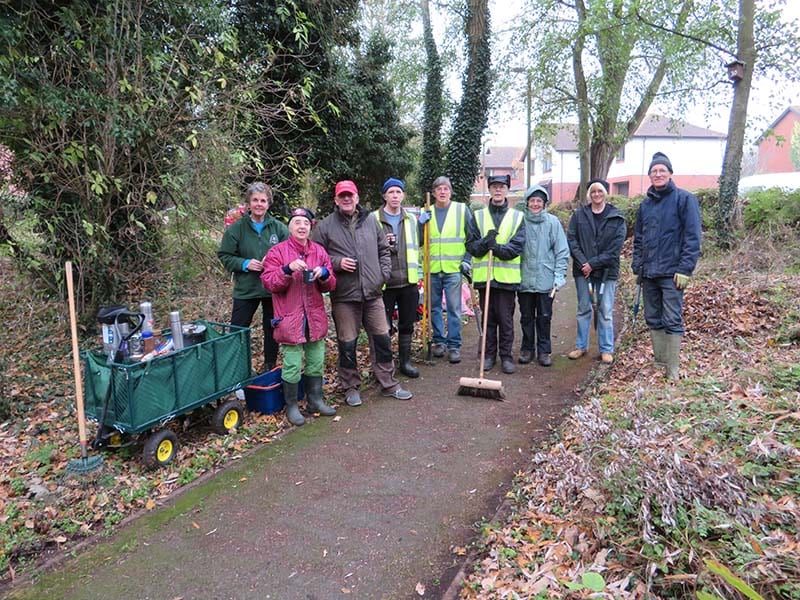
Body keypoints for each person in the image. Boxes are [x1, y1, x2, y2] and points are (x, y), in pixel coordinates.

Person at [312, 180, 412, 406]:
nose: (347, 200)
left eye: (351, 196)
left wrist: (382, 275)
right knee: (347, 342)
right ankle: (350, 386)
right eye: (342, 196)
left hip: (373, 293)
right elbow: (316, 257)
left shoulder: (370, 221)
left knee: (383, 338)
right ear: (336, 200)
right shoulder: (326, 227)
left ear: (357, 198)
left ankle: (388, 382)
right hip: (345, 296)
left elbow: (384, 251)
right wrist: (336, 263)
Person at [261, 208, 336, 426]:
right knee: (292, 364)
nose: (301, 226)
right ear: (290, 227)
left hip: (314, 317)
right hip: (289, 317)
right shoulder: (277, 252)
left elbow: (331, 285)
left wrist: (323, 274)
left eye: (305, 222)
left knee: (316, 362)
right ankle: (292, 406)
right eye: (297, 223)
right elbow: (269, 282)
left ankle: (315, 400)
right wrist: (287, 269)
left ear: (311, 226)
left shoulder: (319, 251)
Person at [632, 152, 702, 380]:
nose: (658, 174)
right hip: (649, 273)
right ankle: (660, 362)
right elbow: (639, 239)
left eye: (662, 170)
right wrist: (637, 266)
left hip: (673, 274)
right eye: (654, 171)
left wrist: (685, 269)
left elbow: (693, 237)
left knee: (672, 319)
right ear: (650, 176)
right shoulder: (645, 205)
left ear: (670, 173)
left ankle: (673, 369)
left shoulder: (685, 200)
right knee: (653, 318)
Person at [217, 181, 288, 370]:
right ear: (248, 202)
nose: (259, 204)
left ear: (268, 204)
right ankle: (237, 369)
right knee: (238, 330)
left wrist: (273, 262)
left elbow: (289, 253)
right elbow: (225, 255)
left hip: (272, 288)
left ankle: (270, 365)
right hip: (246, 288)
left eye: (263, 200)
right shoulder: (237, 229)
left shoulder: (279, 228)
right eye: (255, 200)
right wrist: (245, 263)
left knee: (272, 327)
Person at [467, 174, 525, 374]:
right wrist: (485, 243)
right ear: (489, 190)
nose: (498, 190)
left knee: (506, 320)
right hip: (485, 279)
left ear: (507, 190)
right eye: (494, 187)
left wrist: (496, 247)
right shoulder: (478, 216)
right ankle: (488, 355)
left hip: (507, 280)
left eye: (502, 187)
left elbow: (517, 247)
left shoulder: (517, 217)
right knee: (488, 319)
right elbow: (472, 246)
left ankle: (506, 356)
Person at [566, 179, 626, 364]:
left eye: (600, 191)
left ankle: (606, 349)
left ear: (605, 193)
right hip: (583, 272)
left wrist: (593, 263)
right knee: (584, 308)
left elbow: (615, 249)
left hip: (607, 272)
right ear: (589, 195)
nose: (596, 194)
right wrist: (584, 263)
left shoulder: (617, 217)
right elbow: (572, 240)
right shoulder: (579, 215)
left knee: (605, 310)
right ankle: (581, 346)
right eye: (593, 192)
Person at [425, 176, 480, 364]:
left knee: (454, 309)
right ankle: (440, 342)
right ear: (433, 193)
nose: (442, 192)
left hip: (453, 269)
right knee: (434, 309)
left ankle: (454, 345)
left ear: (450, 191)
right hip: (432, 270)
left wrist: (466, 260)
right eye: (438, 189)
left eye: (446, 189)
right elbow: (419, 240)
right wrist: (419, 224)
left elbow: (472, 237)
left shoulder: (461, 210)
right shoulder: (427, 212)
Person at [374, 178, 422, 378]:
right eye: (391, 192)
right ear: (385, 195)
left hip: (408, 281)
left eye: (398, 192)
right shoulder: (373, 219)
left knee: (406, 324)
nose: (395, 196)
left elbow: (416, 246)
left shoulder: (411, 219)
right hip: (383, 283)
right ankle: (384, 366)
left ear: (403, 195)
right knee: (382, 327)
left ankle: (405, 361)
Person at [517, 185, 569, 367]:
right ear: (527, 202)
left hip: (546, 280)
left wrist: (559, 275)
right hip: (524, 278)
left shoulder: (552, 223)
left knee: (544, 316)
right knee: (526, 316)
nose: (536, 204)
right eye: (532, 200)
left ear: (544, 203)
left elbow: (562, 251)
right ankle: (527, 349)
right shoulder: (520, 221)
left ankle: (544, 350)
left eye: (539, 201)